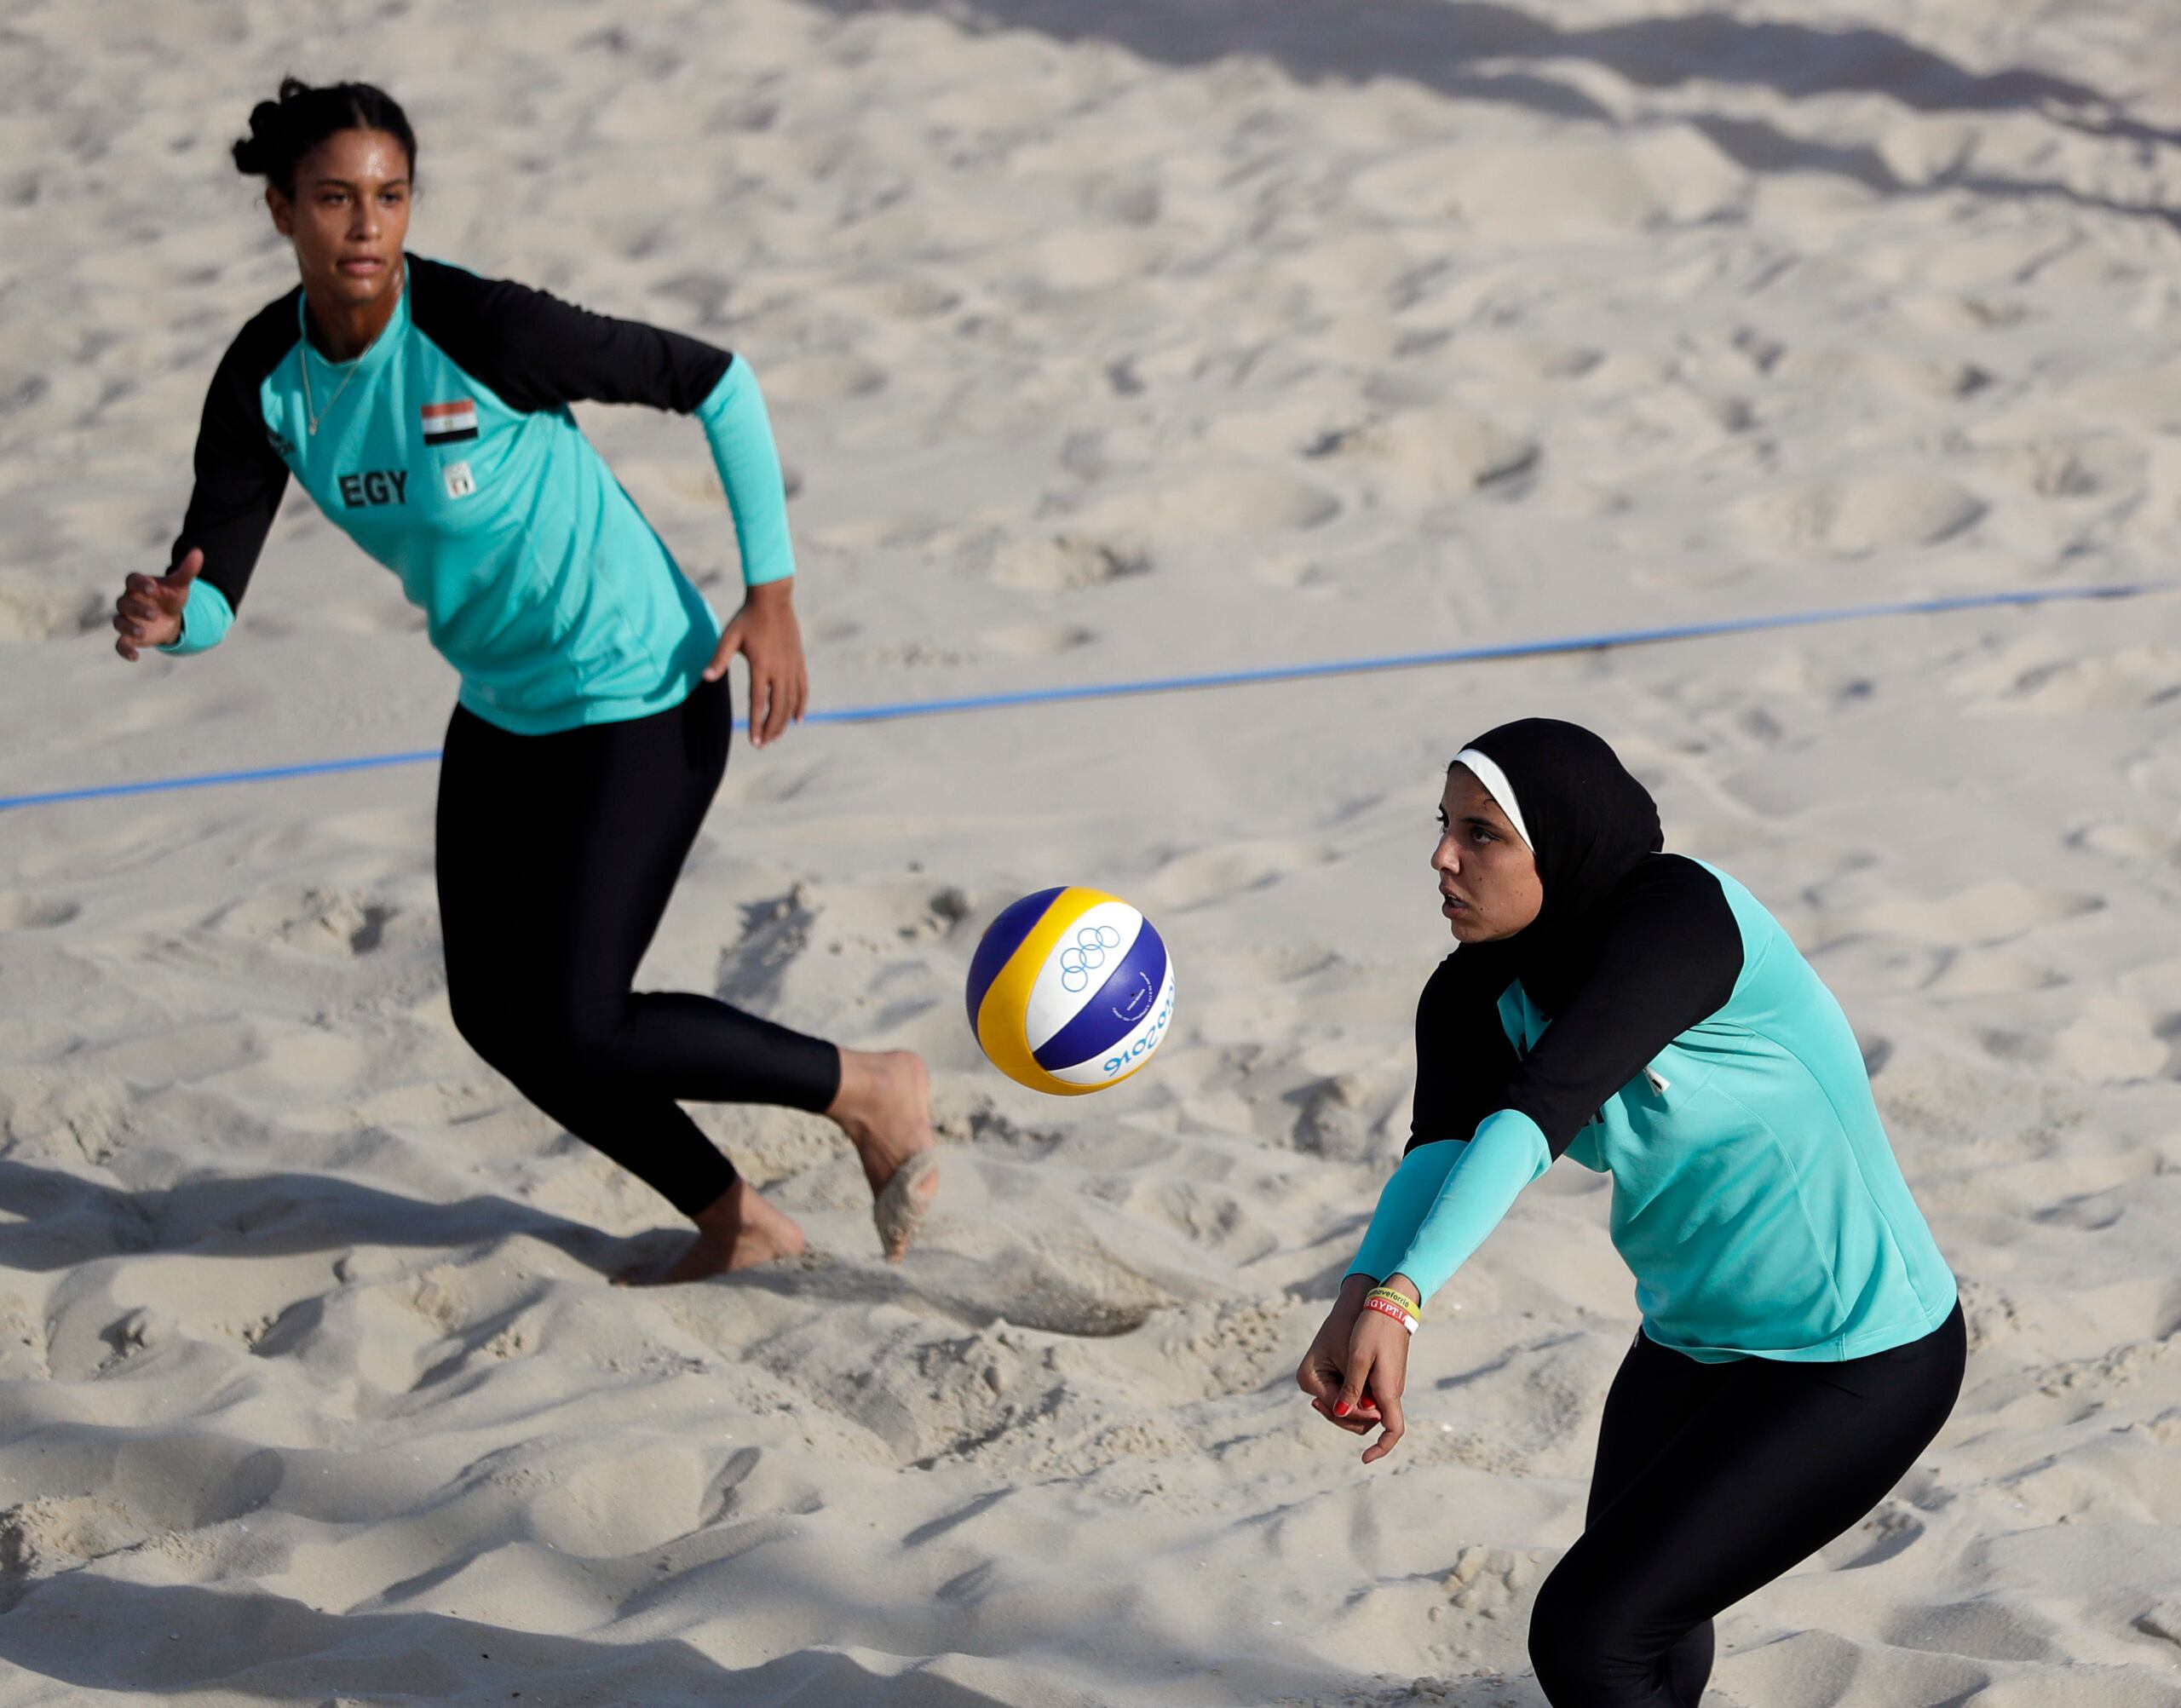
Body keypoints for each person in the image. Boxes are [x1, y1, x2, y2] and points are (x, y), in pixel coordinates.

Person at [110, 78, 938, 1283]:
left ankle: (870, 1087)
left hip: (644, 688)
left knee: (576, 1017)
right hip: (504, 705)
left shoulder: (482, 327)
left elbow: (716, 380)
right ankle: (738, 1217)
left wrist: (773, 592)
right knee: (498, 1020)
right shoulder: (266, 381)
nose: (366, 227)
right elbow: (217, 584)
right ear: (282, 209)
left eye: (390, 197)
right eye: (335, 199)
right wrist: (174, 618)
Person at [1296, 718, 1963, 1706]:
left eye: (1481, 833)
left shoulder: (1680, 923)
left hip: (1857, 1356)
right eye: (1442, 826)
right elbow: (1439, 1152)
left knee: (1588, 1634)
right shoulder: (1470, 991)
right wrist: (1357, 1296)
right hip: (1689, 1346)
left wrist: (1403, 1304)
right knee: (1641, 1632)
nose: (1441, 856)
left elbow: (1536, 1114)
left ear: (1559, 844)